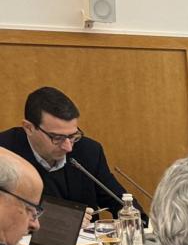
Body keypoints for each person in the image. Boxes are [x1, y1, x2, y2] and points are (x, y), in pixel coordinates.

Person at [0, 87, 130, 217]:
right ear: (29, 128)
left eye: (73, 136)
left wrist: (136, 219)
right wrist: (66, 219)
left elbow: (118, 200)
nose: (68, 147)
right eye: (57, 138)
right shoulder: (4, 152)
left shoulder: (89, 151)